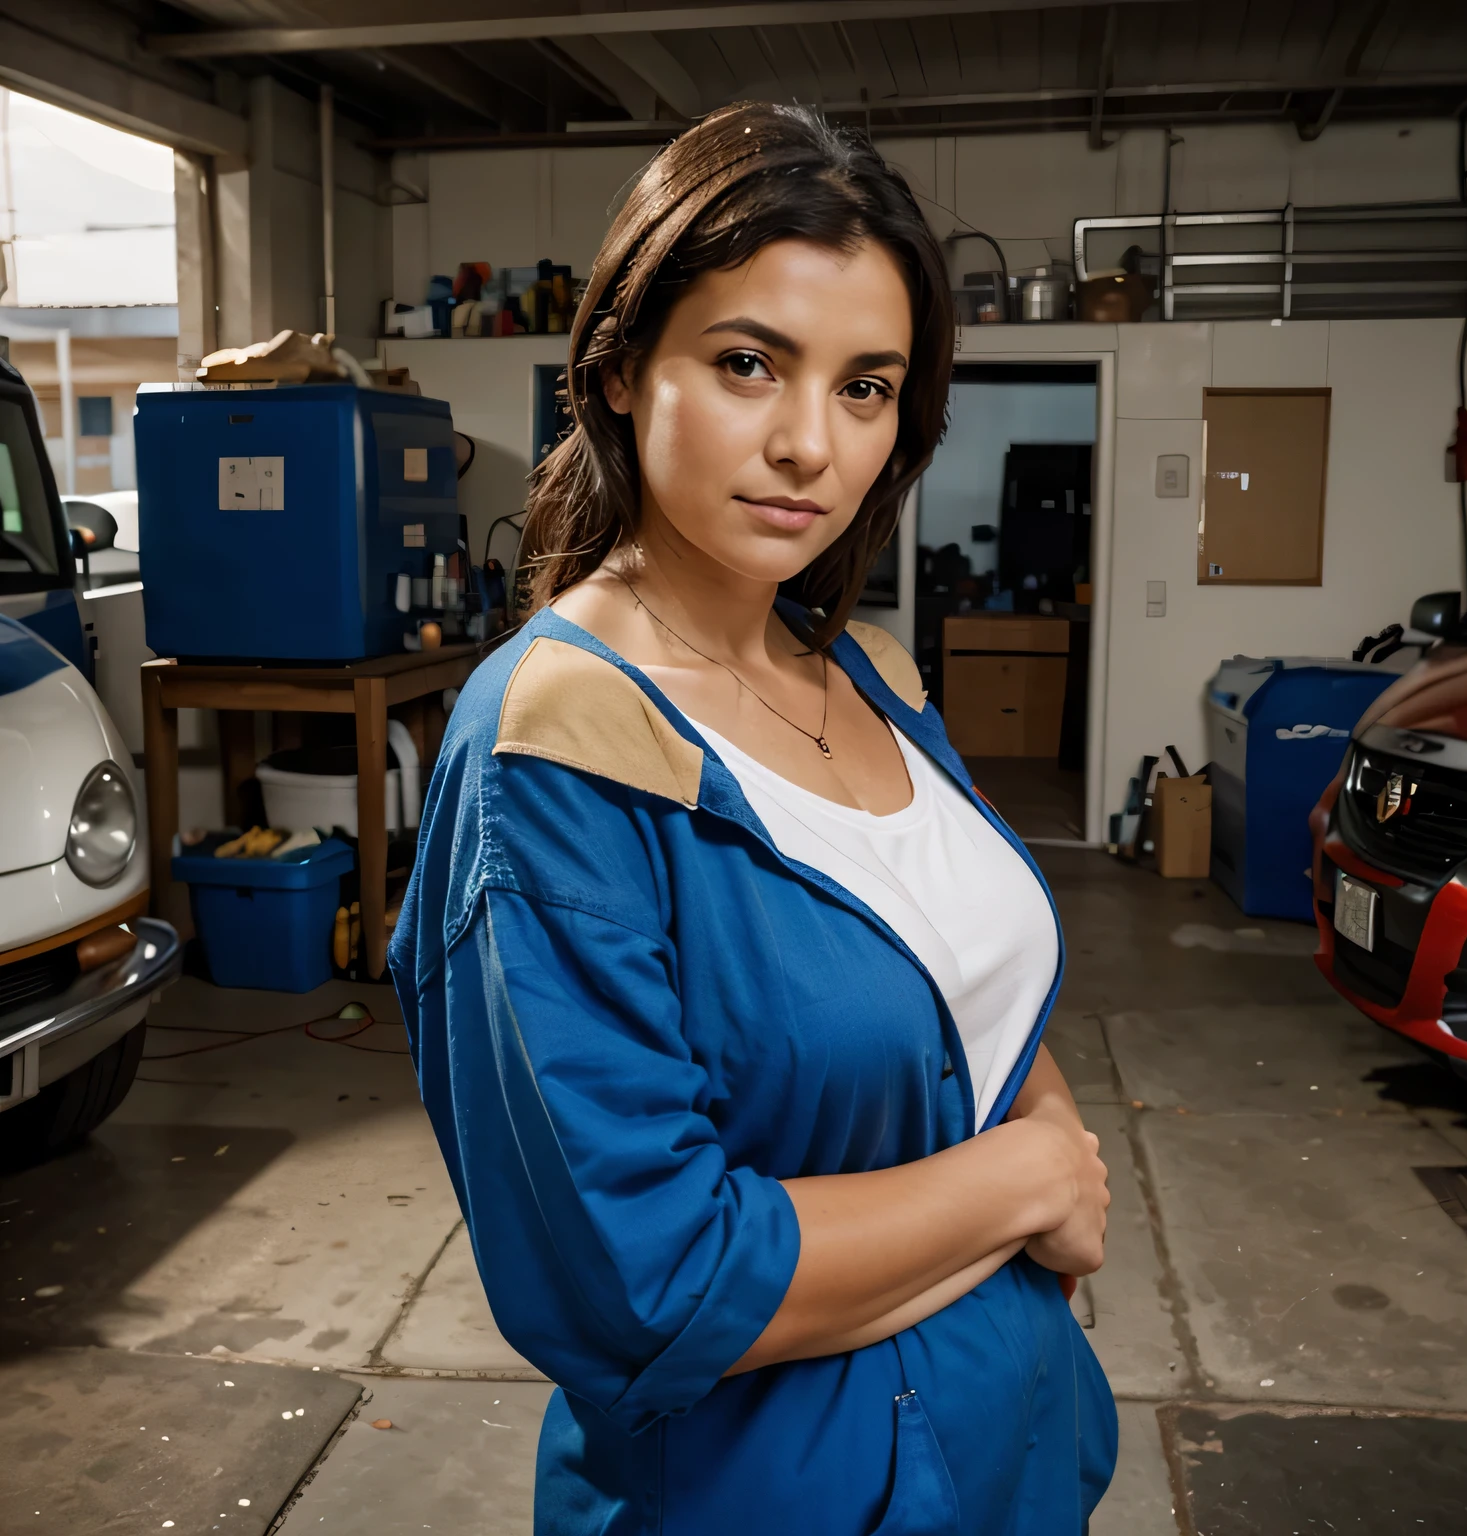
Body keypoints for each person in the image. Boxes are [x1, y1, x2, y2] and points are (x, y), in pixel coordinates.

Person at [391, 101, 1116, 1536]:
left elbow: (969, 993)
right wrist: (1027, 1181)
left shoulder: (868, 676)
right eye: (746, 364)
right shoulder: (555, 753)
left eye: (867, 387)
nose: (810, 444)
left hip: (1010, 1456)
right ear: (615, 372)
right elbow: (651, 1281)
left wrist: (1056, 1124)